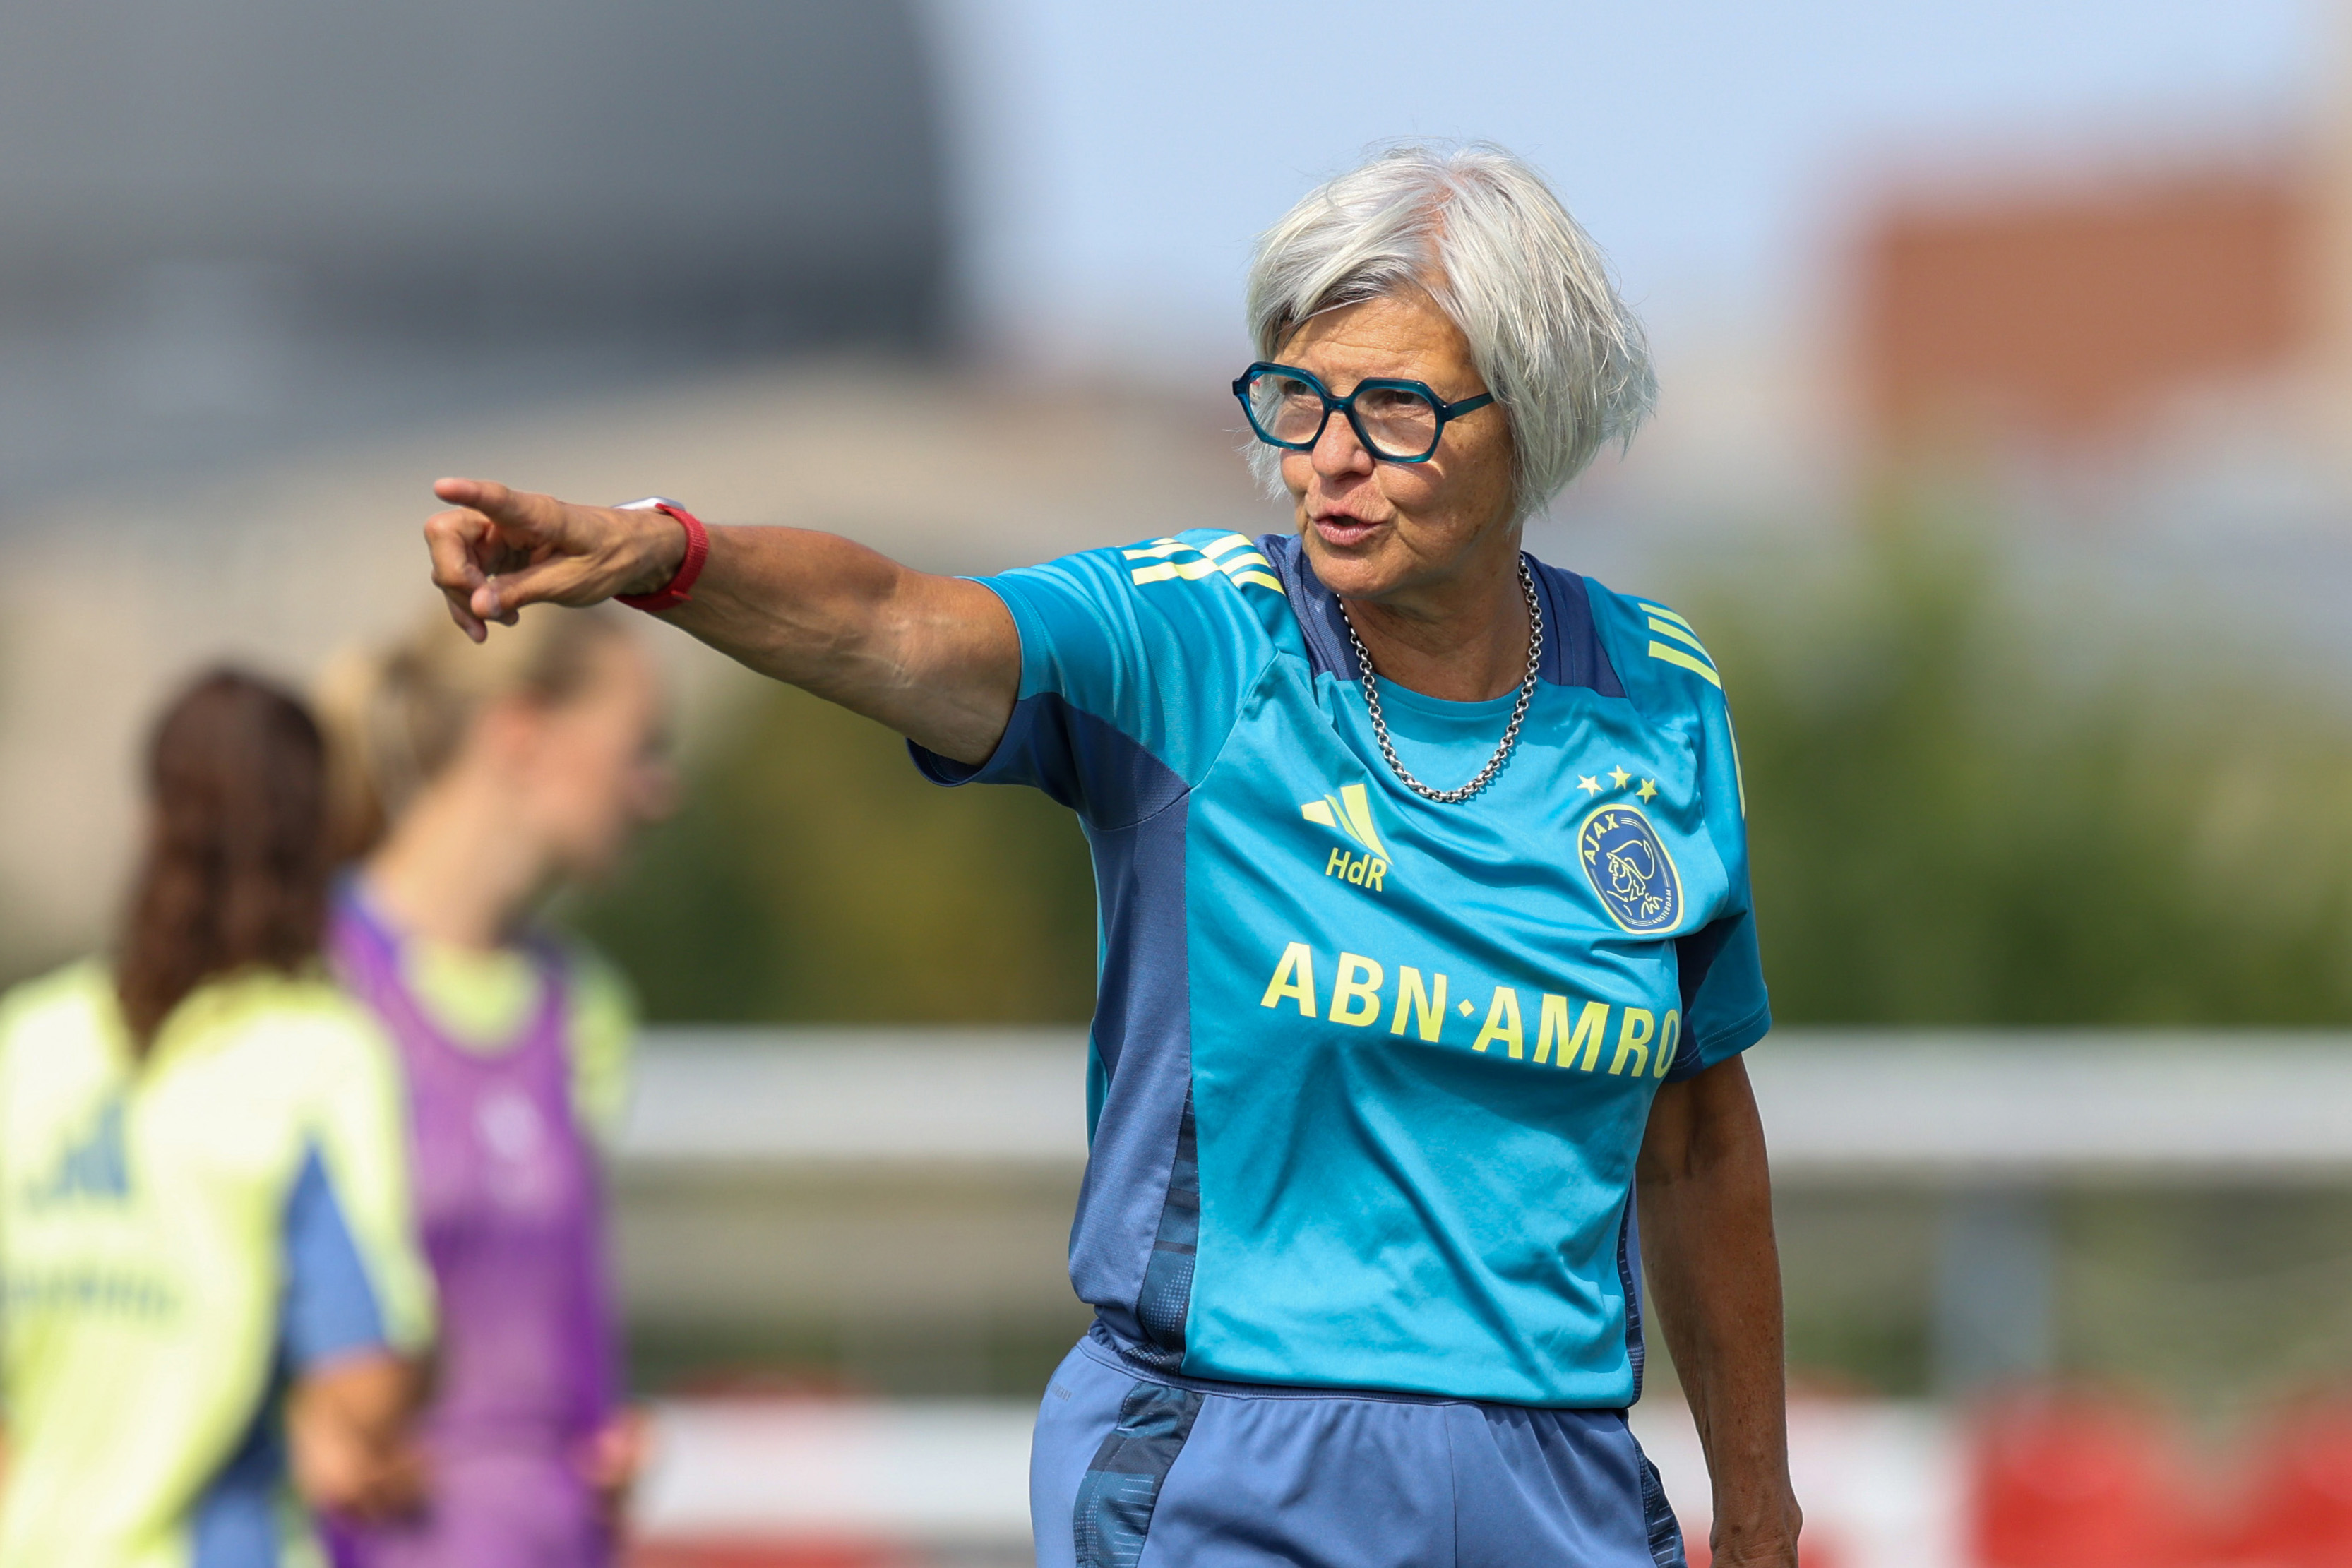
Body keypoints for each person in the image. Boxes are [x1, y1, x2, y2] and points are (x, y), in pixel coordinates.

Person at [419, 142, 1801, 1568]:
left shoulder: (1661, 701)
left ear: (1533, 411)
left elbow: (1696, 1144)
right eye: (1300, 397)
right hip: (1233, 1468)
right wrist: (666, 555)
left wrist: (1756, 1513)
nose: (1327, 455)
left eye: (1391, 407)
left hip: (1556, 1480)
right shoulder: (1198, 645)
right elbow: (900, 623)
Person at [0, 670, 435, 1568]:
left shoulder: (29, 1042)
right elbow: (366, 1377)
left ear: (148, 819)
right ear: (317, 834)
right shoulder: (317, 1052)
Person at [314, 604, 669, 1567]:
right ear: (521, 732)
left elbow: (558, 1332)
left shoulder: (584, 1007)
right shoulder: (307, 986)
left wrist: (601, 1444)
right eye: (641, 746)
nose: (658, 791)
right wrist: (303, 1432)